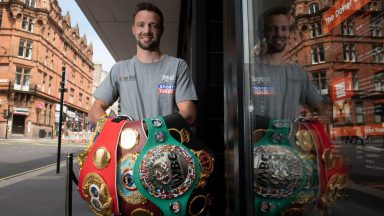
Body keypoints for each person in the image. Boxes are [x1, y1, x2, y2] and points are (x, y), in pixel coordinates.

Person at [88, 2, 198, 126]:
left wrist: (148, 127)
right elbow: (94, 112)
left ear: (161, 30)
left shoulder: (177, 66)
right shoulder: (119, 69)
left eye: (153, 25)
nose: (146, 30)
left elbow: (189, 114)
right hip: (130, 143)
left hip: (166, 144)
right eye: (141, 25)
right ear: (133, 29)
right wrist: (120, 128)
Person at [251, 6, 324, 129]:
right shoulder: (248, 70)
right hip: (257, 145)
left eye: (284, 29)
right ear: (263, 33)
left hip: (290, 146)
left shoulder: (298, 73)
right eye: (273, 29)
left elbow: (320, 109)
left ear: (289, 33)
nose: (279, 34)